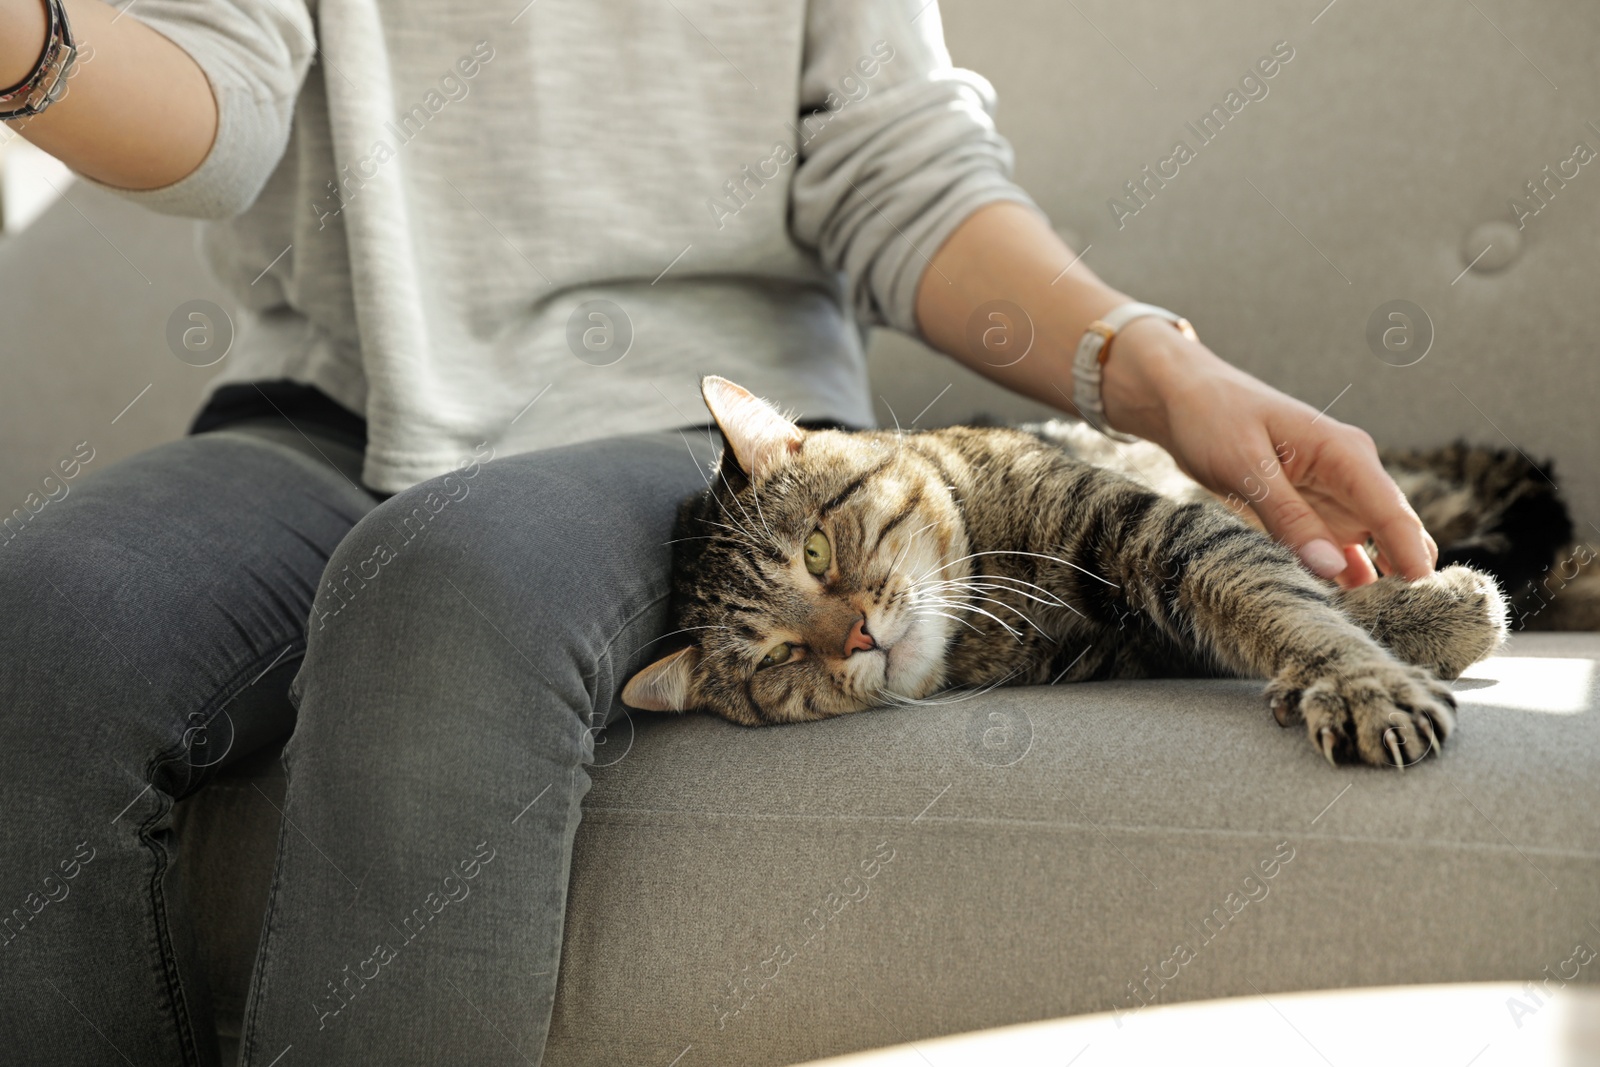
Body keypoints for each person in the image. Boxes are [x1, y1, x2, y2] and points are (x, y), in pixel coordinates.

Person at [0, 0, 1438, 1062]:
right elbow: (217, 110)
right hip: (330, 411)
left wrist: (1152, 365)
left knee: (447, 587)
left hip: (704, 443)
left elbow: (896, 170)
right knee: (41, 624)